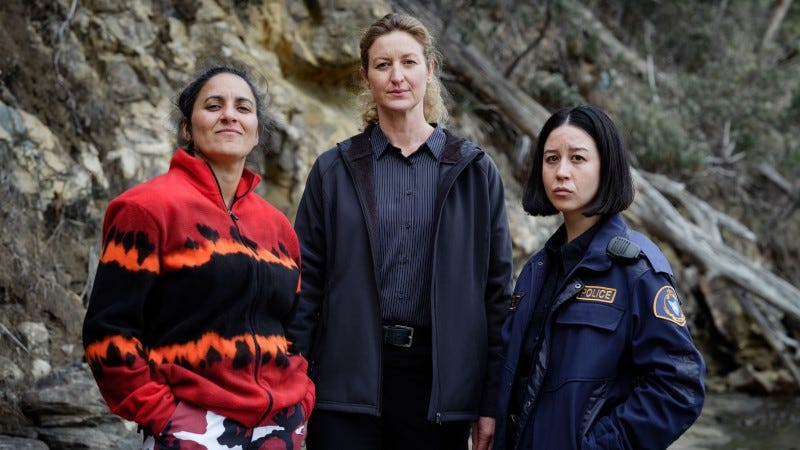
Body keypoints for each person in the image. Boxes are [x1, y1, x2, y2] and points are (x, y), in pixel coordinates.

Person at [286, 12, 513, 450]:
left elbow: (496, 296)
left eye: (409, 62)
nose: (397, 77)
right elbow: (305, 286)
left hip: (439, 392)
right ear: (366, 76)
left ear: (430, 69)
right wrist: (294, 385)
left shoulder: (475, 172)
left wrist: (490, 403)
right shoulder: (334, 170)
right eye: (383, 64)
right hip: (344, 382)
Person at [82, 66, 315, 450]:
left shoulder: (277, 228)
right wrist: (165, 416)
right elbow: (107, 332)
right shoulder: (147, 209)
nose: (229, 115)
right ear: (188, 129)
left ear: (256, 131)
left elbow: (291, 327)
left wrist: (301, 397)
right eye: (213, 105)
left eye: (243, 107)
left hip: (280, 427)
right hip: (194, 425)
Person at [494, 105, 705, 449]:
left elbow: (679, 388)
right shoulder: (535, 270)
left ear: (607, 168)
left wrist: (600, 446)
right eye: (551, 159)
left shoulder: (637, 270)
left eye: (577, 159)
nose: (561, 172)